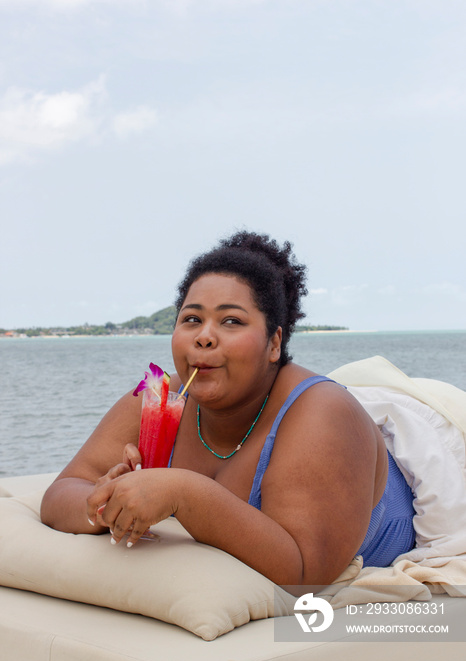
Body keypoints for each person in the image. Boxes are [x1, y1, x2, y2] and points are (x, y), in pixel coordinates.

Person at [40, 231, 416, 587]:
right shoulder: (159, 398)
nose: (204, 336)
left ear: (274, 343)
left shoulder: (321, 414)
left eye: (231, 321)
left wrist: (182, 493)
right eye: (191, 319)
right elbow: (60, 496)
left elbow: (304, 574)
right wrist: (107, 502)